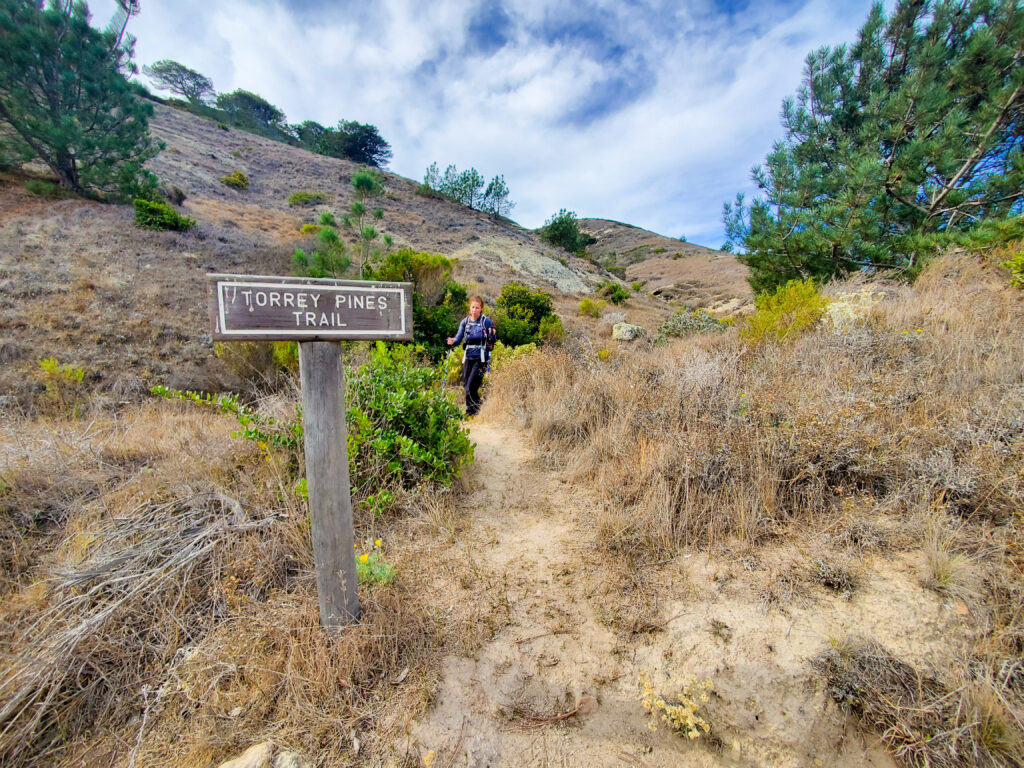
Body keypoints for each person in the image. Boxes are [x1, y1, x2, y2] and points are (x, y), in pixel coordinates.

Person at [446, 296, 496, 417]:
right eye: (473, 307)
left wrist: (492, 334)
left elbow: (492, 339)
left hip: (481, 359)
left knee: (471, 386)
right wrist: (453, 341)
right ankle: (476, 409)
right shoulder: (465, 322)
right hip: (468, 357)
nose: (474, 310)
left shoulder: (485, 321)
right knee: (467, 387)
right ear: (470, 307)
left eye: (477, 307)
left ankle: (471, 412)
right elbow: (459, 338)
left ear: (481, 308)